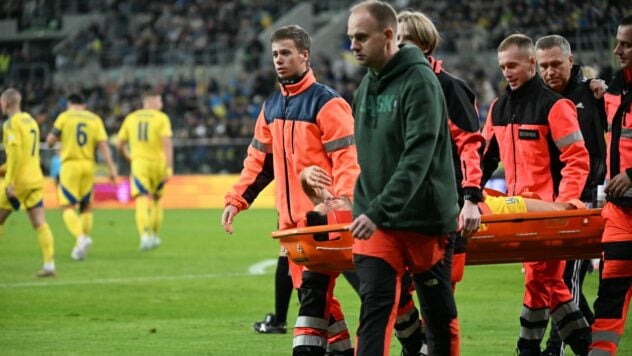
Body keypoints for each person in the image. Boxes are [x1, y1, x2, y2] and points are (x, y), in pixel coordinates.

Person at [221, 25, 359, 355]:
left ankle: (419, 337)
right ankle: (345, 350)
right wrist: (236, 200)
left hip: (324, 219)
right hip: (292, 224)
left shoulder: (328, 103)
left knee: (332, 294)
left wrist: (342, 204)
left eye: (285, 53)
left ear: (304, 55)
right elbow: (258, 163)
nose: (279, 60)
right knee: (316, 296)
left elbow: (347, 159)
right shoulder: (271, 107)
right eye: (274, 55)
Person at [347, 2, 460, 355]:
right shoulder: (366, 85)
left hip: (424, 218)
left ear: (389, 36)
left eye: (361, 37)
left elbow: (417, 157)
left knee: (439, 318)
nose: (353, 45)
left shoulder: (421, 82)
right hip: (377, 220)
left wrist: (378, 209)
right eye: (351, 38)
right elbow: (366, 156)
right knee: (376, 308)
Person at [481, 33, 591, 355]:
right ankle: (589, 348)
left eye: (513, 65)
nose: (507, 72)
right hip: (520, 211)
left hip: (548, 212)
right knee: (547, 283)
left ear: (531, 63)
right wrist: (469, 192)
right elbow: (485, 158)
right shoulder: (499, 108)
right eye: (502, 67)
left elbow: (576, 158)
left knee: (541, 281)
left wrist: (565, 204)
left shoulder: (555, 106)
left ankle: (527, 349)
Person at [395, 10, 485, 355]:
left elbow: (470, 146)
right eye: (395, 40)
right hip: (401, 211)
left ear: (426, 44)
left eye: (406, 40)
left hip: (445, 212)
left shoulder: (451, 88)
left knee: (439, 305)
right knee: (389, 288)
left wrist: (471, 198)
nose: (399, 46)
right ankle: (415, 348)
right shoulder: (391, 88)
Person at [535, 34, 608, 356]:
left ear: (571, 60)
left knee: (566, 280)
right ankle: (586, 344)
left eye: (555, 64)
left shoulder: (594, 95)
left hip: (586, 199)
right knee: (556, 281)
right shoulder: (538, 100)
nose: (550, 71)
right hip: (550, 203)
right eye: (543, 66)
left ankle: (556, 348)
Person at [589, 15, 632, 355]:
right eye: (618, 41)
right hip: (620, 214)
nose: (617, 49)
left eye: (627, 44)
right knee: (609, 300)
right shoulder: (616, 87)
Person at [46, 93, 117, 260]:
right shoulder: (94, 119)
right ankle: (80, 248)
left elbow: (50, 141)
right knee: (86, 206)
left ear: (69, 104)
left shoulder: (64, 117)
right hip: (88, 165)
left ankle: (81, 237)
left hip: (70, 165)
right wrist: (112, 168)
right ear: (84, 105)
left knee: (67, 206)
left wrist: (59, 140)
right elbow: (103, 146)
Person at [0, 88, 56, 277]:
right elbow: (25, 153)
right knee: (39, 222)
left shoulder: (10, 123)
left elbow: (15, 153)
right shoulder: (30, 121)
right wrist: (4, 167)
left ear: (5, 103)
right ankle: (49, 265)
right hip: (35, 178)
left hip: (19, 180)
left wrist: (9, 181)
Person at [117, 89, 173, 251]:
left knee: (141, 198)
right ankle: (154, 236)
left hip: (139, 164)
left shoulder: (131, 118)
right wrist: (169, 167)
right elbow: (167, 143)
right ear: (152, 100)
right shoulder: (161, 118)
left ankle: (144, 236)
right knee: (156, 200)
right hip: (158, 164)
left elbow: (120, 144)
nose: (161, 104)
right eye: (160, 100)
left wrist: (129, 157)